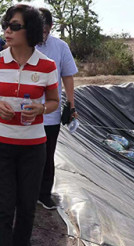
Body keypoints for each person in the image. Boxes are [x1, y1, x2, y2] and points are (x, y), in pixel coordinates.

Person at [0, 4, 60, 246]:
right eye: (6, 25)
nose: (7, 31)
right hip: (0, 144)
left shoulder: (47, 65)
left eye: (15, 26)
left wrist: (41, 109)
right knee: (3, 206)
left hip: (34, 146)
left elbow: (53, 101)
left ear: (31, 30)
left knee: (26, 204)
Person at [36, 7, 79, 210]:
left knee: (47, 155)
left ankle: (44, 194)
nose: (41, 33)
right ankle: (25, 193)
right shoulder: (24, 44)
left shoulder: (60, 47)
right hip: (26, 113)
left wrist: (71, 106)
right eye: (38, 28)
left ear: (51, 27)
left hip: (50, 114)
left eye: (45, 29)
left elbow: (68, 77)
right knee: (26, 155)